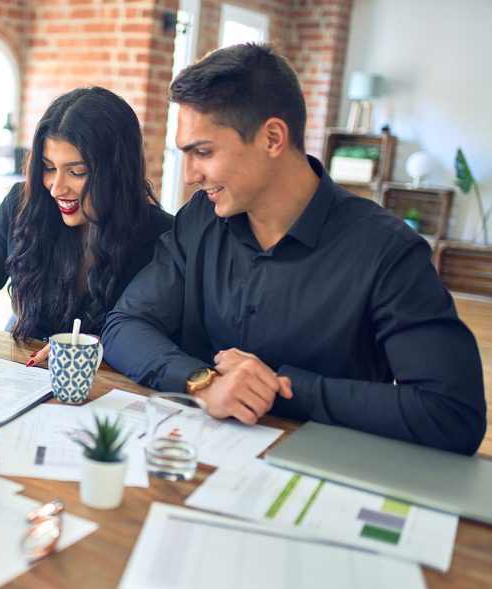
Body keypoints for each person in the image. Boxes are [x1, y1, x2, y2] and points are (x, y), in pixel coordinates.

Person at [102, 43, 486, 454]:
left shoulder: (388, 251)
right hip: (196, 457)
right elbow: (124, 324)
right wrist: (203, 382)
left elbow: (453, 413)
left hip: (324, 477)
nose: (192, 174)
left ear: (272, 137)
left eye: (204, 152)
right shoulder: (200, 219)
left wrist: (284, 389)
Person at [0, 86, 174, 363]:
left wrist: (101, 347)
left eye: (77, 172)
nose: (56, 188)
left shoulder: (162, 237)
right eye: (48, 167)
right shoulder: (22, 207)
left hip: (107, 391)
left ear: (117, 172)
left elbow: (164, 341)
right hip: (23, 377)